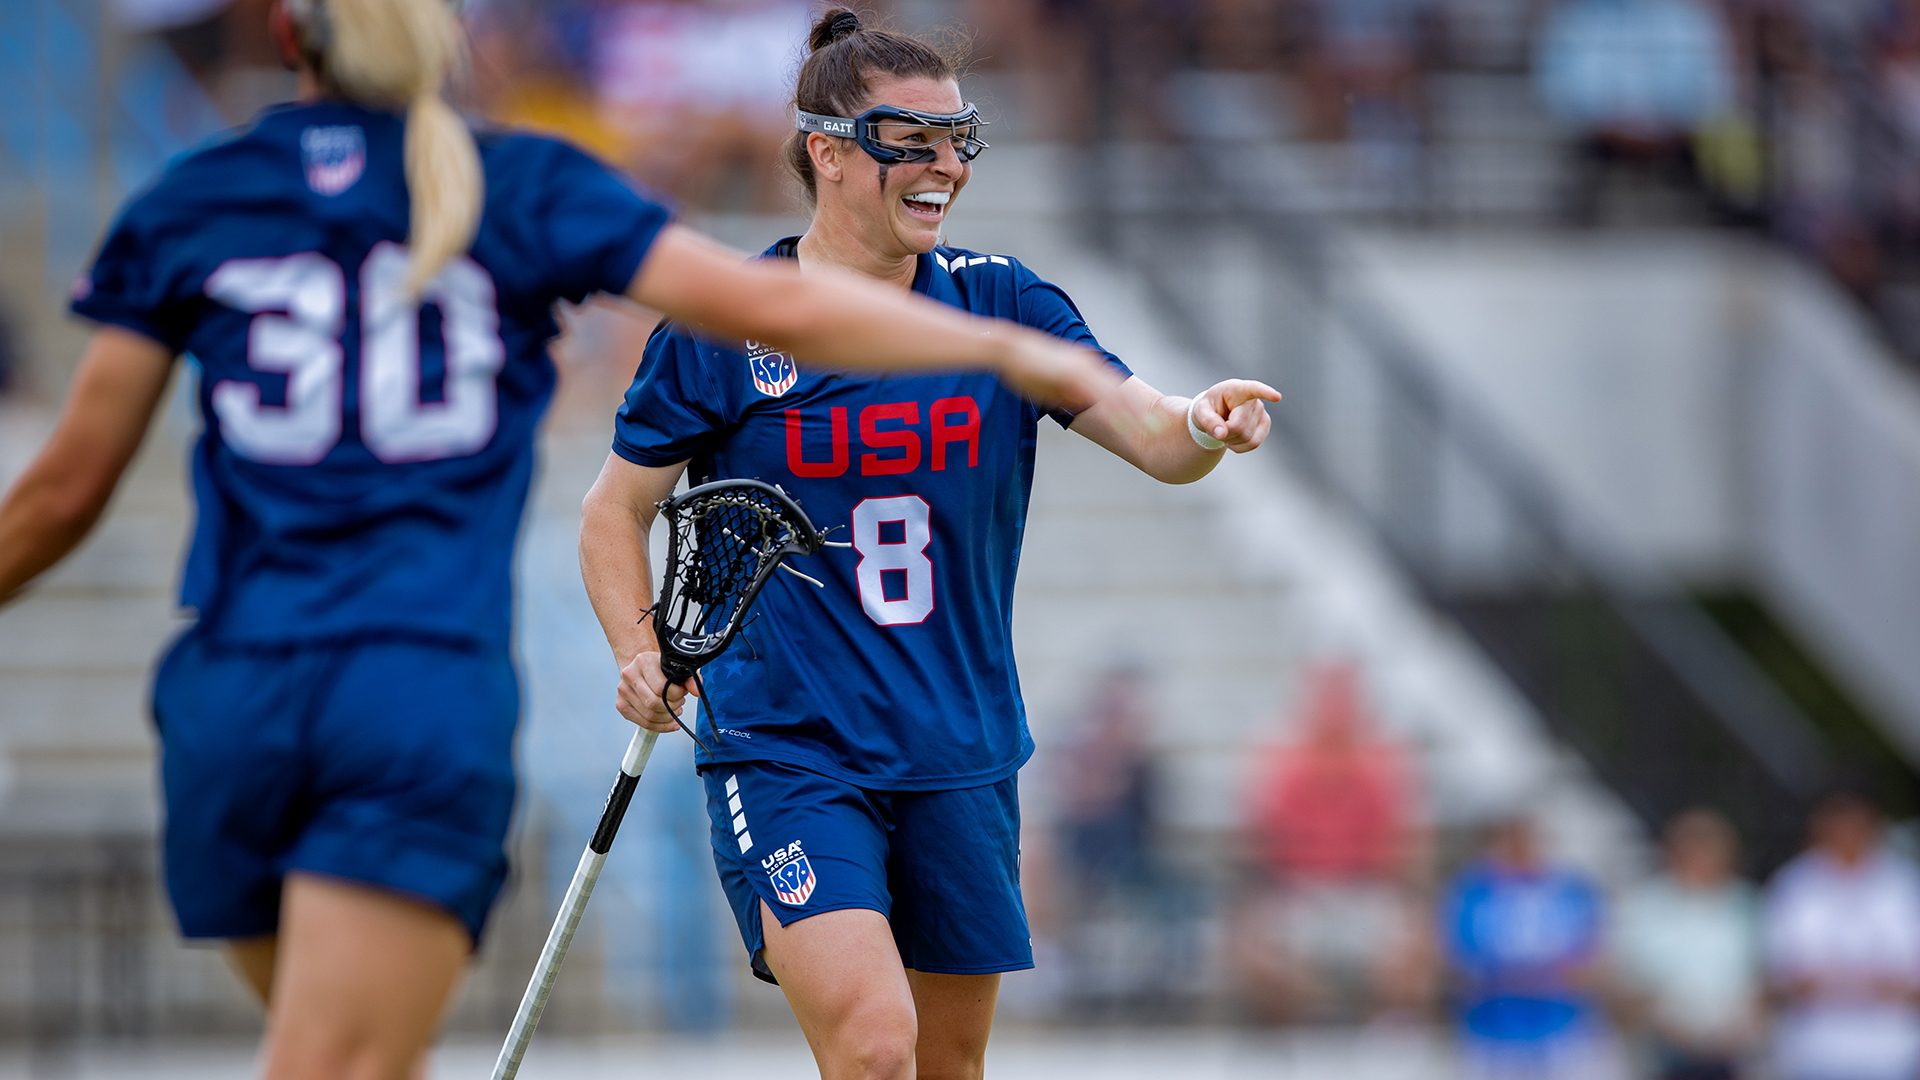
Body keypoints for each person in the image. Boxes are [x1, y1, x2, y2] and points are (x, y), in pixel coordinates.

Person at [0, 0, 1128, 1076]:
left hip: (231, 693)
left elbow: (61, 493)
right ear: (448, 43)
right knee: (353, 1055)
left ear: (286, 31)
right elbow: (773, 313)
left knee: (334, 1050)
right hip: (415, 694)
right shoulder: (520, 187)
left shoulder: (195, 196)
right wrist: (1019, 354)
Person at [578, 9, 1281, 1078]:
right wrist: (637, 650)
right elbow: (613, 510)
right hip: (787, 750)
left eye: (958, 142)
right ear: (826, 151)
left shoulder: (1002, 304)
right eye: (909, 143)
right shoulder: (729, 326)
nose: (942, 167)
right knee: (874, 1052)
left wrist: (1202, 423)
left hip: (957, 752)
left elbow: (1151, 436)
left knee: (945, 1070)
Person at [1233, 661, 1431, 1023]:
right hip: (1299, 890)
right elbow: (1260, 847)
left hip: (1364, 887)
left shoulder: (1380, 767)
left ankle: (1394, 1033)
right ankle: (1307, 1025)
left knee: (1411, 943)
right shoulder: (1283, 768)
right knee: (1259, 950)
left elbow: (1402, 850)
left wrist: (1400, 893)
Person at [1441, 815, 1613, 1080]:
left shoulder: (1572, 890)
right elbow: (1463, 957)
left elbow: (1589, 957)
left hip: (1561, 1025)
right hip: (1492, 1025)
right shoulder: (1473, 891)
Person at [1765, 791, 1920, 1080]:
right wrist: (1876, 983)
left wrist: (1834, 983)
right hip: (1814, 1053)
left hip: (1893, 1055)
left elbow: (1912, 985)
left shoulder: (1905, 884)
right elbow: (1789, 981)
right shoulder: (1794, 885)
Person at [1611, 809, 1765, 1080]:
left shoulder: (1746, 904)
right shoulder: (1645, 905)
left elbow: (1764, 979)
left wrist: (1738, 1029)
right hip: (1663, 1053)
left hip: (1731, 1051)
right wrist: (1667, 1025)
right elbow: (1624, 983)